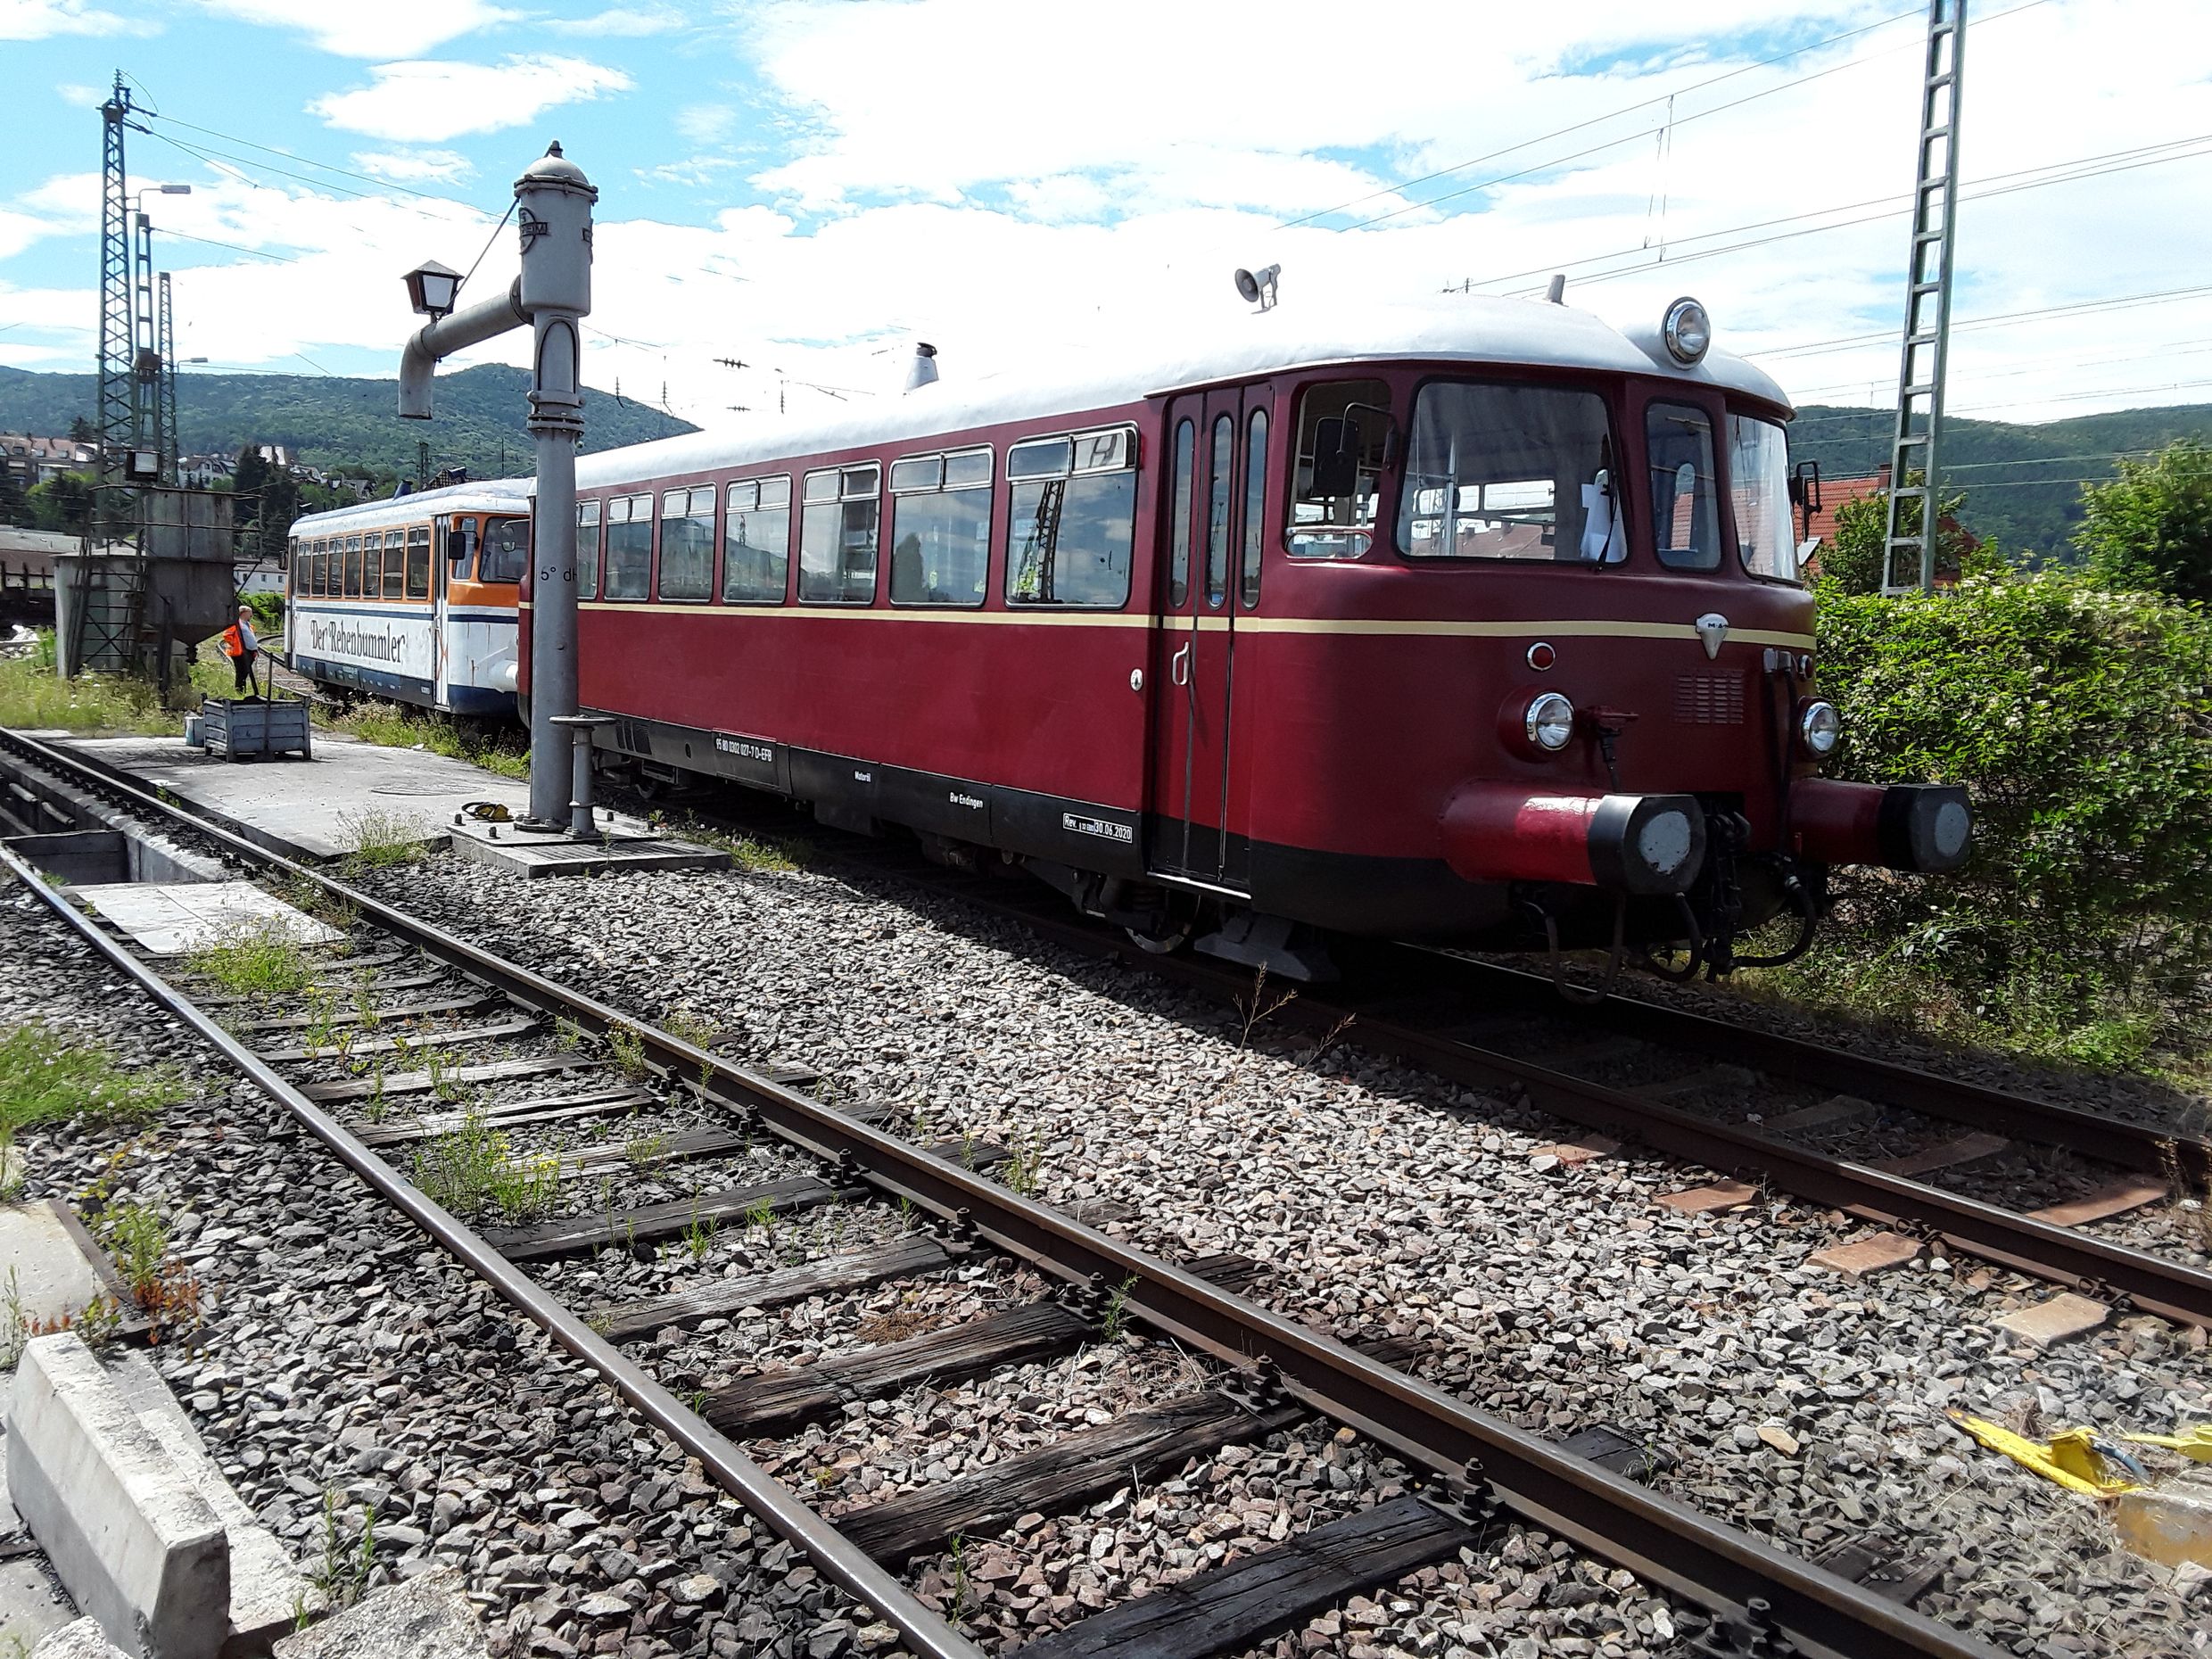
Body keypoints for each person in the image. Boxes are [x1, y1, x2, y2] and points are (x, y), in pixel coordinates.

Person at [218, 604, 260, 697]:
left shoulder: (247, 625)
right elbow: (227, 635)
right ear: (244, 613)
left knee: (246, 671)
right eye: (250, 613)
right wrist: (236, 644)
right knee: (241, 672)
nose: (251, 615)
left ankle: (242, 691)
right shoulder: (236, 624)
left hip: (249, 652)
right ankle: (239, 691)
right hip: (239, 653)